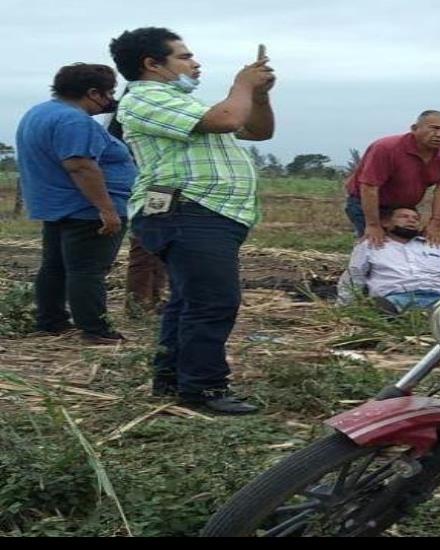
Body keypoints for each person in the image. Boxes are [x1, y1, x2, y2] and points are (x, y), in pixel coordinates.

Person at [111, 27, 276, 415]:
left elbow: (259, 130)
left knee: (188, 301)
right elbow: (226, 119)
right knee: (213, 302)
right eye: (184, 56)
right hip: (188, 210)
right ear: (152, 64)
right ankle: (204, 388)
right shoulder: (145, 97)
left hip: (204, 212)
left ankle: (171, 379)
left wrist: (260, 94)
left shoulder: (181, 103)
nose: (195, 63)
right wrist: (241, 84)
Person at [16, 63, 133, 345]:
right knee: (88, 270)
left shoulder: (40, 112)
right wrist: (106, 209)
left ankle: (51, 321)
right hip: (86, 209)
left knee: (55, 266)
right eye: (108, 93)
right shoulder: (75, 121)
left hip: (57, 205)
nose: (110, 100)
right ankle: (95, 330)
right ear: (93, 92)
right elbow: (81, 166)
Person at [344, 112, 440, 247]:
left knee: (410, 245)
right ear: (414, 128)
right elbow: (369, 187)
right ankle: (359, 267)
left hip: (405, 207)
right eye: (434, 128)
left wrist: (435, 224)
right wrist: (373, 225)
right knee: (375, 245)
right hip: (367, 202)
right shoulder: (386, 148)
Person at [337, 207, 440, 311]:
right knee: (378, 307)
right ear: (386, 223)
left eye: (415, 218)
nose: (411, 220)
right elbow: (354, 275)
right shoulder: (370, 245)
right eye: (404, 217)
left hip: (439, 299)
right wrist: (345, 307)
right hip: (395, 299)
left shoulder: (433, 245)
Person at [107, 106, 167, 316]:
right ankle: (137, 304)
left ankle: (156, 298)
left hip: (162, 187)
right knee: (144, 246)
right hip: (149, 188)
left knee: (160, 243)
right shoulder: (134, 120)